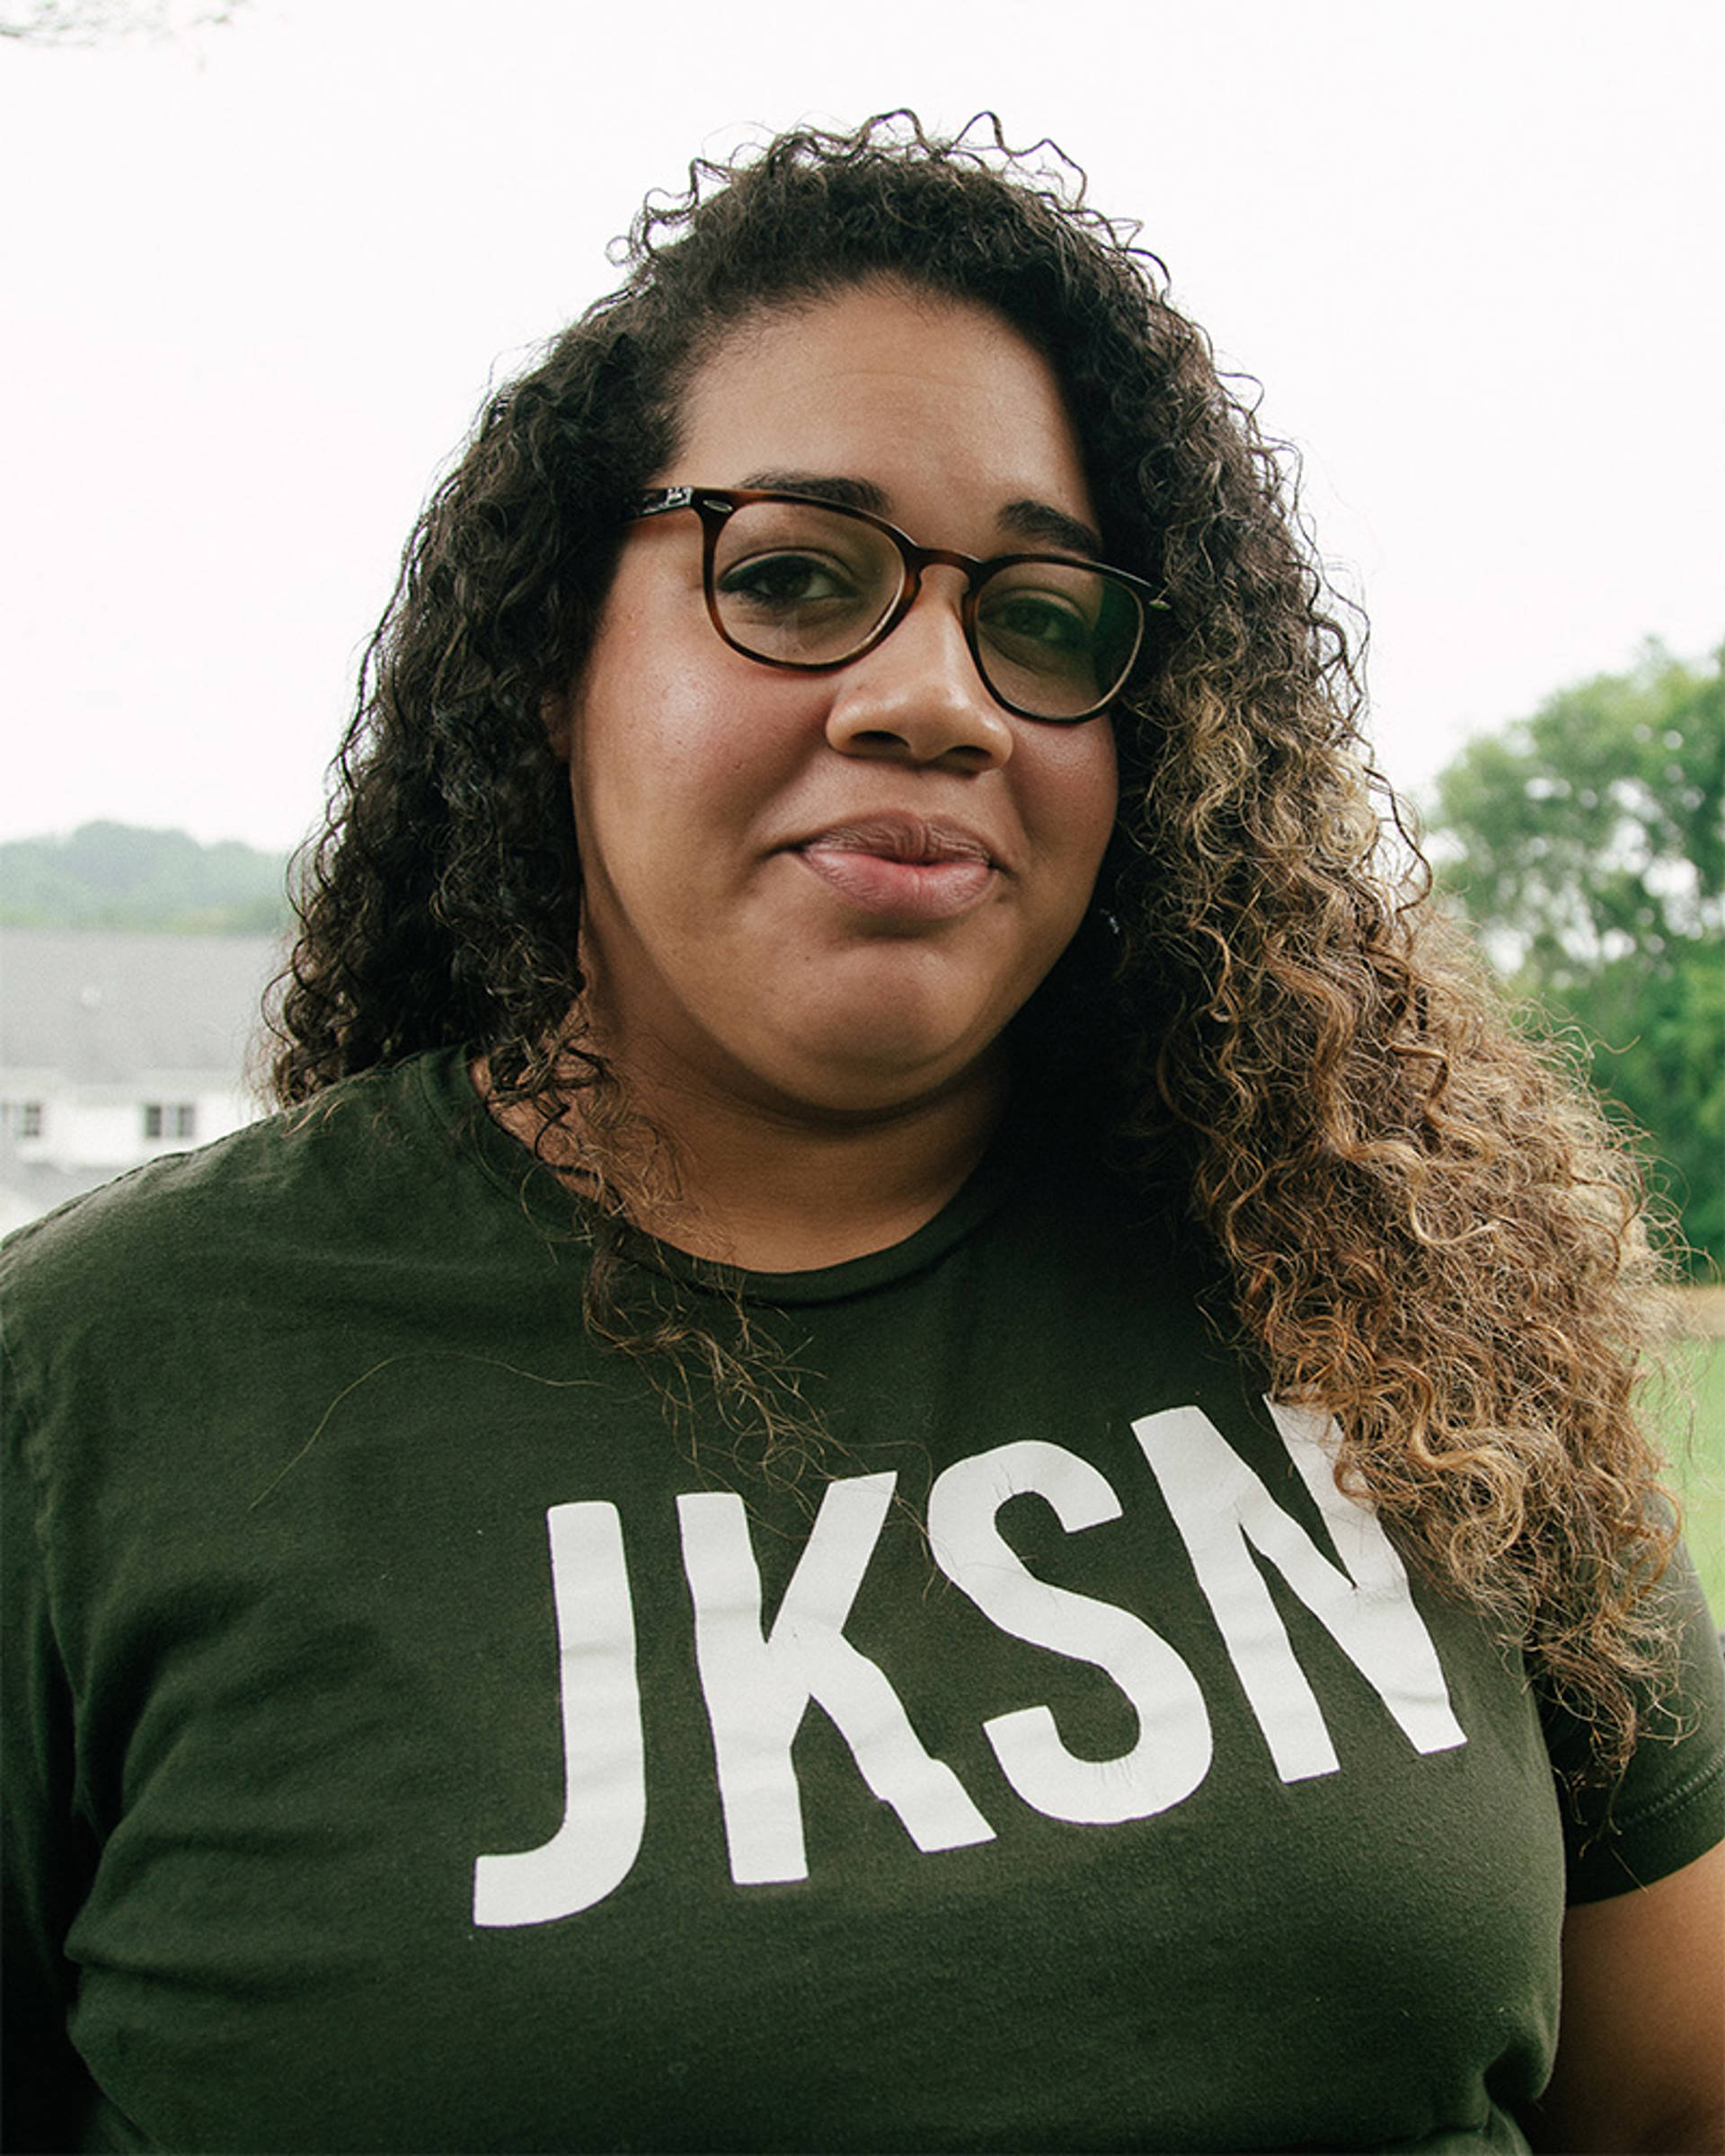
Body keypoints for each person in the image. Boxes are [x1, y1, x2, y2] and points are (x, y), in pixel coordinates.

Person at [3, 114, 1721, 2156]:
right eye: (797, 577)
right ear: (557, 660)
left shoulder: (1419, 1307)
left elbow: (1672, 2099)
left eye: (1047, 617)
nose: (938, 698)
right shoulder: (99, 1389)